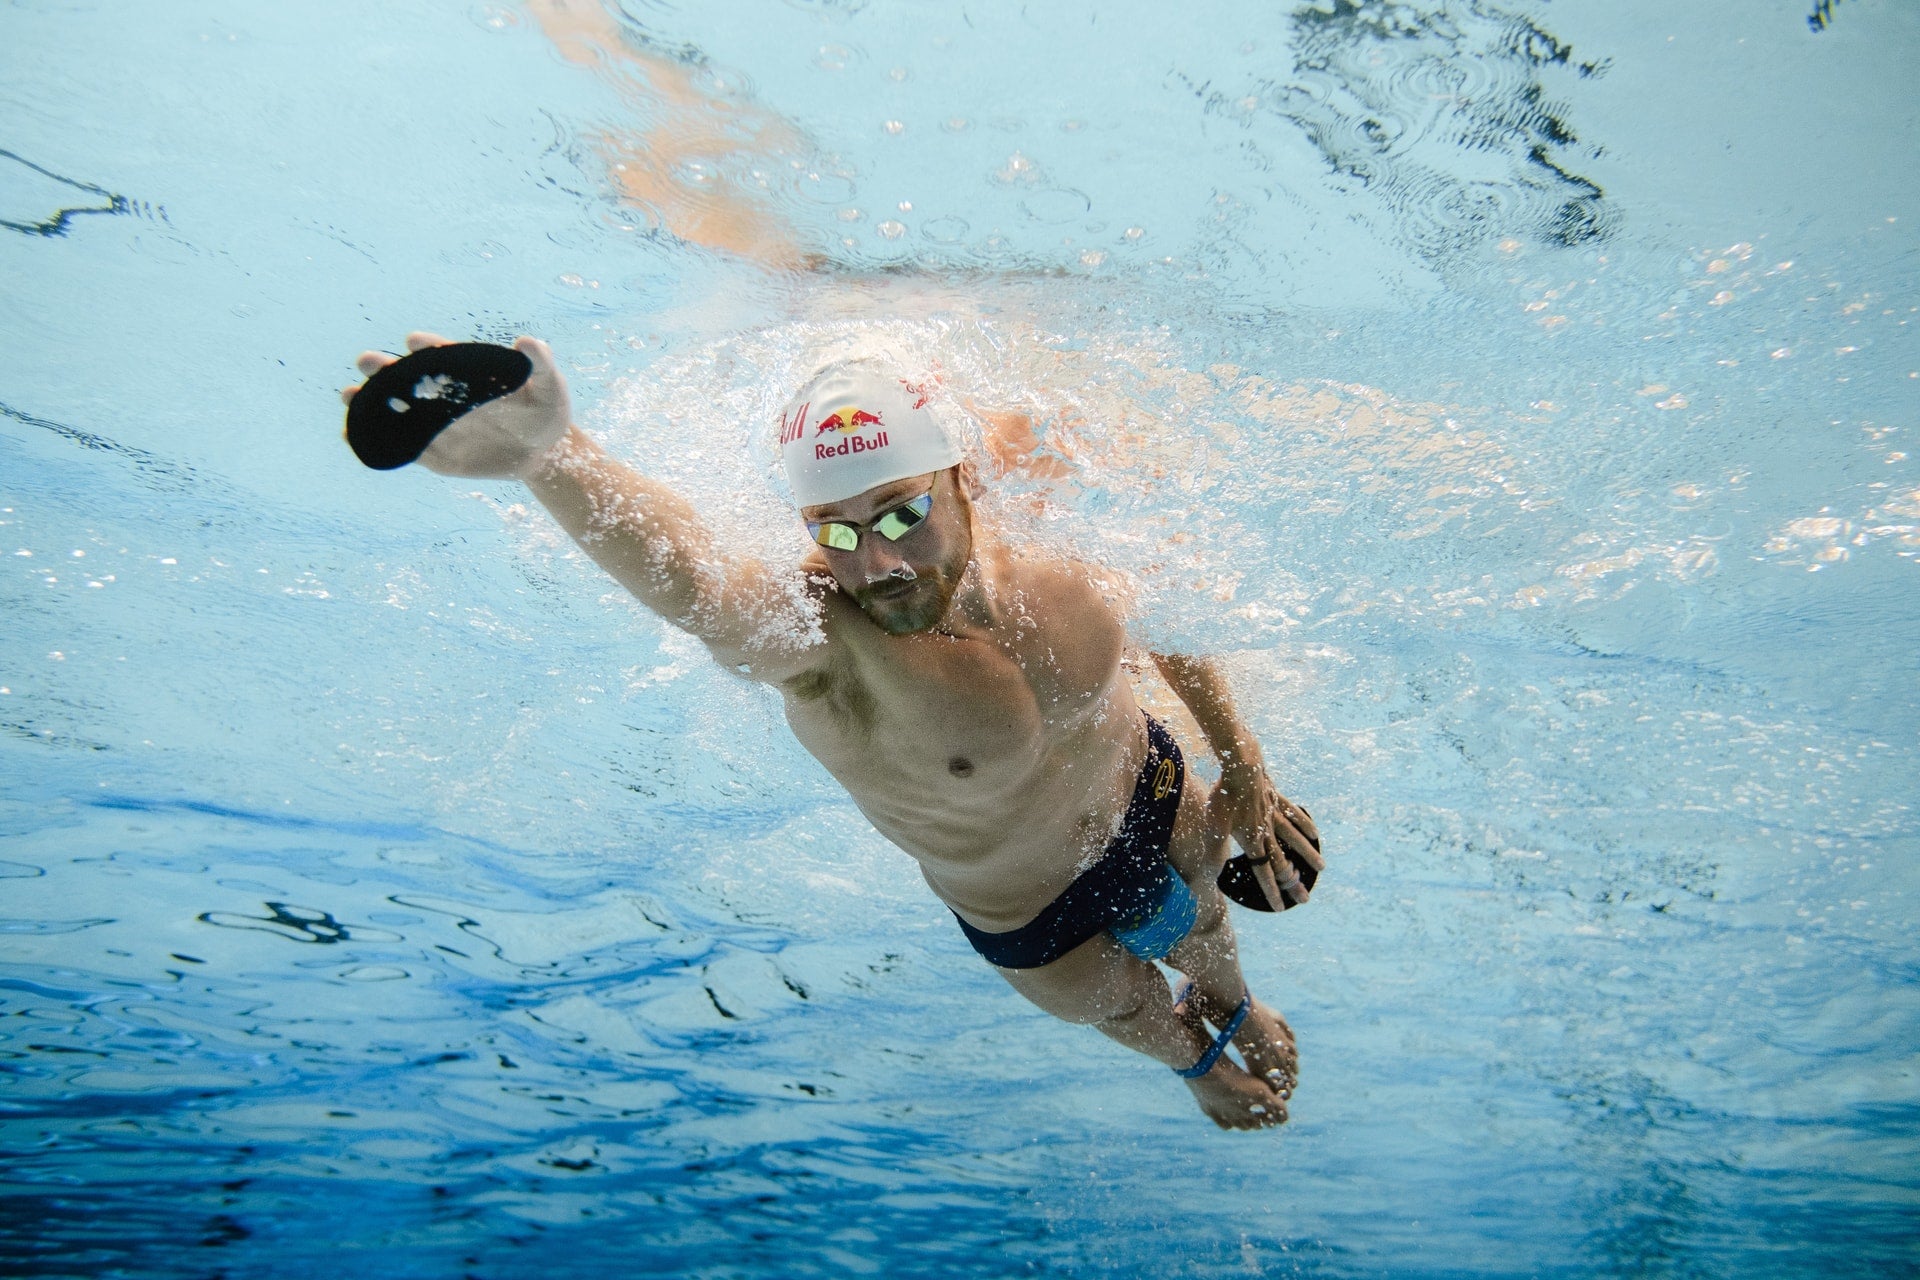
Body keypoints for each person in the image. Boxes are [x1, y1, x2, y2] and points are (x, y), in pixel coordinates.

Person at [340, 335, 1325, 1130]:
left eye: (899, 513)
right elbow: (697, 584)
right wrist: (556, 459)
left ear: (961, 478)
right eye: (837, 529)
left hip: (1156, 800)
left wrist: (1243, 760)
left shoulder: (1063, 564)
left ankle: (1240, 1005)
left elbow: (1175, 615)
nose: (878, 561)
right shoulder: (823, 643)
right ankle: (1198, 1059)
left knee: (1206, 926)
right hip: (1036, 916)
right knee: (1138, 1014)